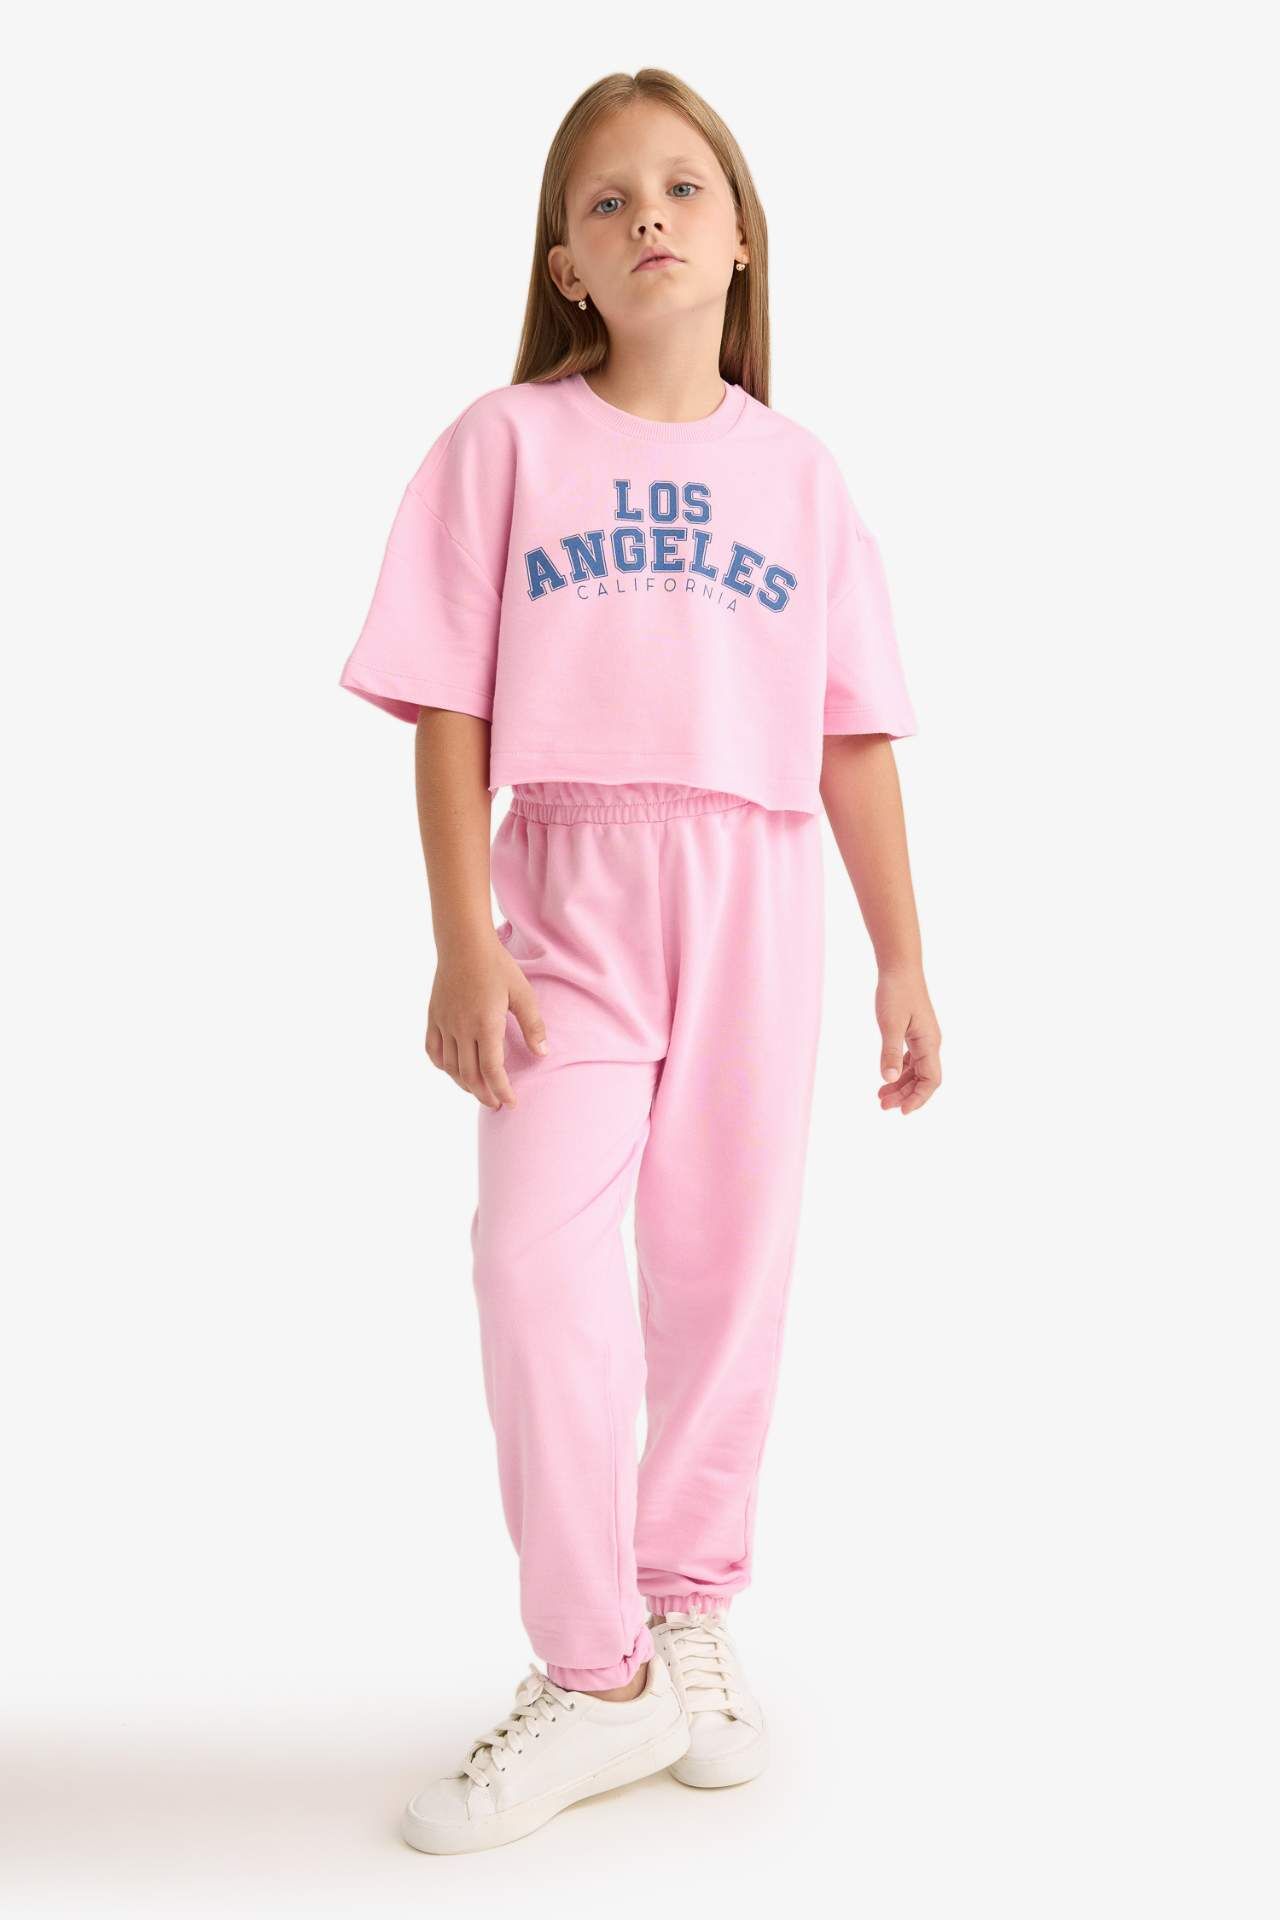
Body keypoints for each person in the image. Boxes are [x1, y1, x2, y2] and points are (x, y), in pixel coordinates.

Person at [339, 67, 942, 1855]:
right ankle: (593, 1673)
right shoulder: (505, 446)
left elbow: (851, 737)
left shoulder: (801, 478)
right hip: (571, 894)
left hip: (756, 892)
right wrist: (463, 937)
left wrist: (905, 959)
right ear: (568, 265)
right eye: (606, 201)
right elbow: (446, 709)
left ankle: (687, 1606)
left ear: (742, 241)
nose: (648, 216)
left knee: (721, 1271)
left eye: (684, 188)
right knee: (532, 1262)